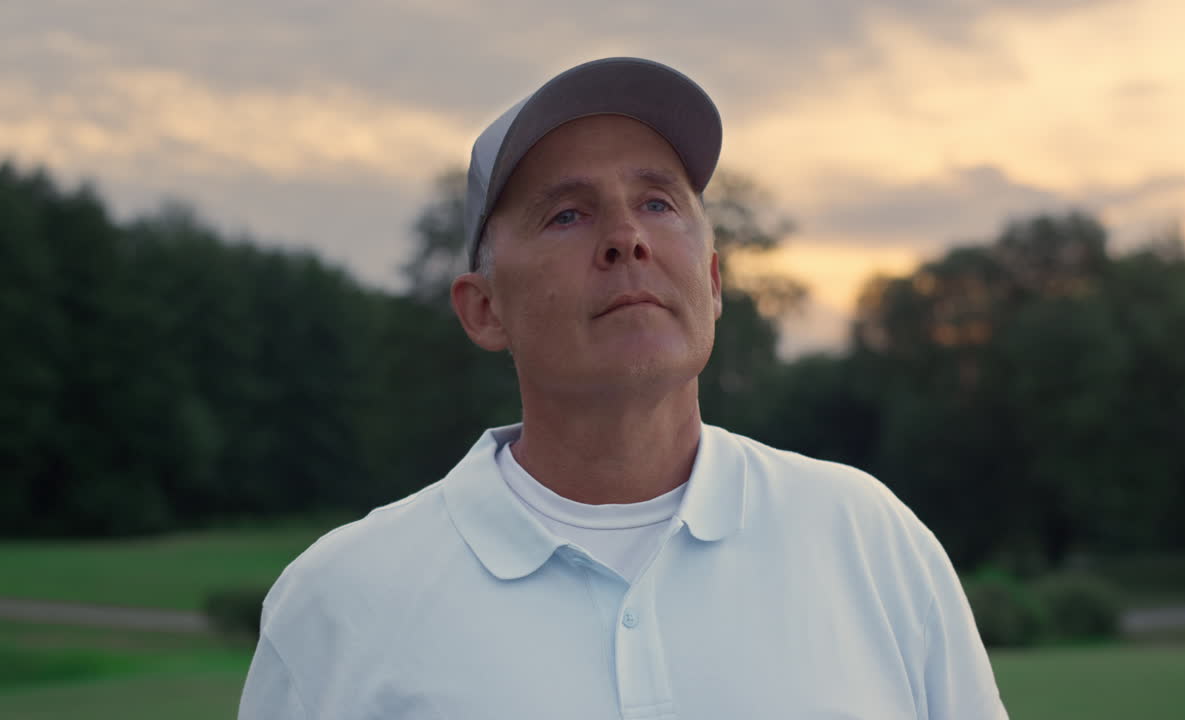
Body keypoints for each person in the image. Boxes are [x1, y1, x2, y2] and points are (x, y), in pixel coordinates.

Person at [238, 57, 1008, 719]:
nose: (626, 237)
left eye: (658, 203)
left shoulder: (869, 540)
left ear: (711, 282)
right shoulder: (338, 602)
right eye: (567, 214)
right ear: (483, 309)